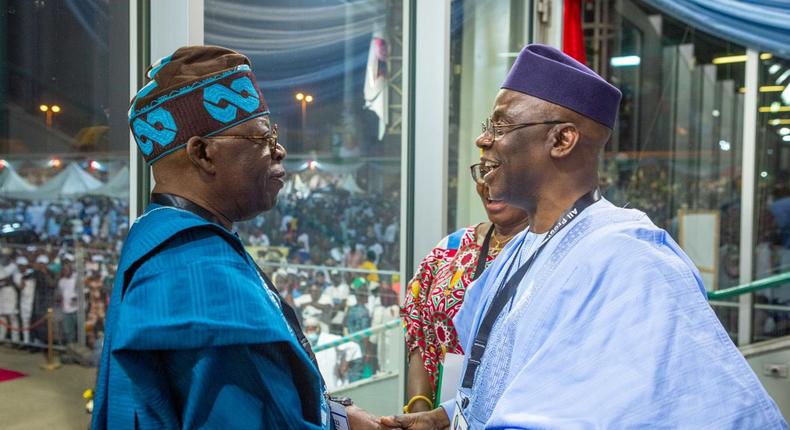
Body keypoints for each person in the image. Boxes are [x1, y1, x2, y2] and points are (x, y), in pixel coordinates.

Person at [383, 44, 786, 429]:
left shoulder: (632, 260)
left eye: (501, 124)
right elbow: (519, 382)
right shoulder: (520, 251)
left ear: (562, 140)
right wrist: (449, 416)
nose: (483, 139)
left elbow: (708, 410)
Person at [91, 46, 384, 430]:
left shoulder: (165, 238)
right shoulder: (196, 275)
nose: (279, 150)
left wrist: (339, 416)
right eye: (261, 138)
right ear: (203, 153)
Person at [399, 180, 528, 413]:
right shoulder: (451, 247)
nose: (490, 181)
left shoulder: (547, 252)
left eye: (500, 167)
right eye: (484, 169)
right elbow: (418, 331)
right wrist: (421, 410)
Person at [304, 317, 362, 391]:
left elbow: (353, 346)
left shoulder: (330, 339)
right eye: (308, 329)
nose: (311, 331)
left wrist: (344, 363)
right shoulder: (304, 344)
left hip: (333, 383)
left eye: (313, 328)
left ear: (318, 328)